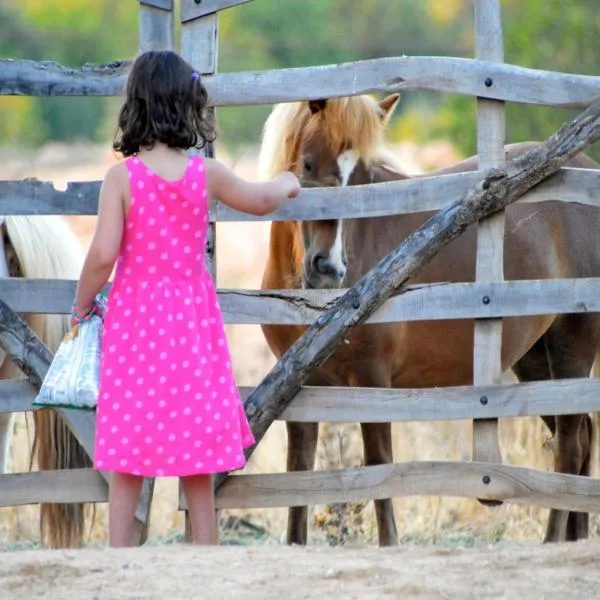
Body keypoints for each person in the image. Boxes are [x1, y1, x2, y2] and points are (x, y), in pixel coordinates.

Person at [72, 50, 300, 547]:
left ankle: (119, 558)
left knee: (128, 453)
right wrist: (286, 181)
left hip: (135, 326)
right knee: (197, 452)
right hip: (192, 325)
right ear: (187, 106)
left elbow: (103, 252)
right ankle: (205, 555)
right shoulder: (205, 174)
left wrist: (82, 303)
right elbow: (260, 200)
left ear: (135, 106)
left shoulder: (122, 178)